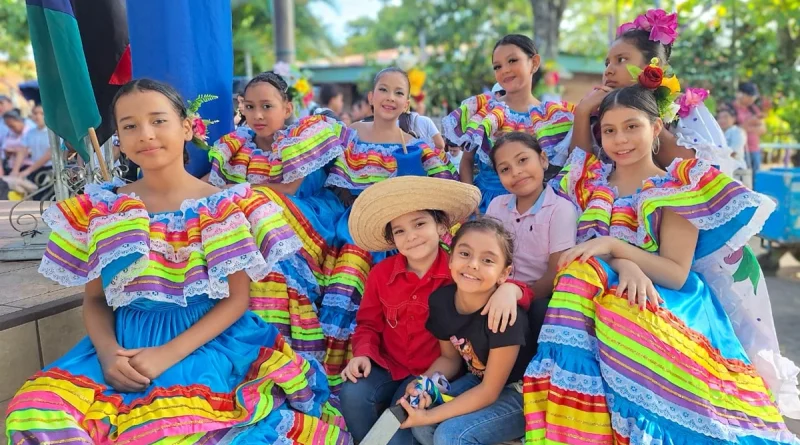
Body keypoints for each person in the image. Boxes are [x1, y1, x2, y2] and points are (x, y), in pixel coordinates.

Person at [4, 78, 350, 444]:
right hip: (122, 348)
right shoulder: (104, 210)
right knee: (34, 412)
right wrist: (107, 354)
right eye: (130, 126)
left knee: (173, 431)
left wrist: (164, 356)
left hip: (205, 347)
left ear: (186, 128)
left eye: (158, 120)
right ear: (118, 141)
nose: (146, 134)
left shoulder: (224, 207)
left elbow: (236, 300)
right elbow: (95, 299)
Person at [522, 85, 799, 443]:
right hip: (597, 289)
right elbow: (578, 254)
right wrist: (623, 264)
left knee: (586, 283)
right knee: (576, 276)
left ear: (655, 129)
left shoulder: (677, 187)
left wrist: (614, 249)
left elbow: (676, 272)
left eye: (632, 126)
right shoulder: (588, 182)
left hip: (666, 298)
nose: (620, 139)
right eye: (609, 130)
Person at [340, 176, 533, 444]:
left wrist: (513, 290)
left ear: (441, 226)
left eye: (419, 224)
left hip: (460, 376)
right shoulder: (385, 275)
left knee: (407, 423)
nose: (411, 236)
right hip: (394, 364)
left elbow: (504, 282)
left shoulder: (460, 275)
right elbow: (368, 323)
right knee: (352, 395)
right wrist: (362, 354)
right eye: (400, 231)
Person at [323, 67, 458, 397]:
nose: (390, 98)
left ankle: (402, 364)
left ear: (408, 103)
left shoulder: (416, 146)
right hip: (359, 227)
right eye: (384, 90)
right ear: (370, 97)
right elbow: (335, 188)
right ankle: (338, 369)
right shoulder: (349, 136)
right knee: (350, 274)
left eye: (399, 92)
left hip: (402, 235)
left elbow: (440, 190)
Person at [207, 71, 354, 371]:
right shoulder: (236, 147)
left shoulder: (300, 139)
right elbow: (207, 189)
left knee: (256, 213)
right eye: (249, 107)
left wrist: (235, 192)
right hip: (257, 232)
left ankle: (289, 355)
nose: (257, 115)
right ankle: (252, 356)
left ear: (287, 108)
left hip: (306, 221)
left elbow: (289, 189)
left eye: (266, 106)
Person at [400, 218, 546, 445]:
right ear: (450, 259)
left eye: (487, 260)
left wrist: (430, 414)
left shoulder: (506, 315)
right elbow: (449, 359)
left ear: (504, 273)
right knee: (424, 427)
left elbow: (489, 391)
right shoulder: (441, 301)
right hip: (477, 380)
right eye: (465, 254)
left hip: (520, 394)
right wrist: (423, 382)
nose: (473, 264)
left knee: (450, 436)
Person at [570, 8, 735, 175]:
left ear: (653, 66)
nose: (608, 71)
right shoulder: (596, 114)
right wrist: (582, 112)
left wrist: (645, 113)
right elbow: (578, 176)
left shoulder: (684, 109)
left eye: (621, 60)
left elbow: (709, 174)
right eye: (607, 64)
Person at [442, 34, 575, 213]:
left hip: (535, 208)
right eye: (498, 66)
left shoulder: (553, 118)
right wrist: (471, 204)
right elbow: (466, 161)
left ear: (534, 63)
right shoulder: (484, 111)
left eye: (513, 60)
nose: (505, 70)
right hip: (485, 207)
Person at [486, 132, 577, 298]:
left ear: (543, 159)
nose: (516, 172)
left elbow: (554, 273)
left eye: (522, 160)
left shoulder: (560, 209)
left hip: (535, 299)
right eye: (505, 169)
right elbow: (486, 254)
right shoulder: (497, 206)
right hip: (495, 291)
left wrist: (517, 298)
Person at [15, 104, 53, 199]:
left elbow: (49, 154)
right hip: (36, 169)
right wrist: (15, 170)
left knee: (49, 199)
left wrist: (28, 171)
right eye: (35, 113)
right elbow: (22, 150)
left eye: (41, 113)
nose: (38, 116)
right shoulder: (31, 132)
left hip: (51, 170)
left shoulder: (52, 132)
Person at [733, 81, 766, 173]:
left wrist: (747, 127)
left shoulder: (753, 109)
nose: (752, 100)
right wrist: (751, 122)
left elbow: (763, 129)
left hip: (754, 149)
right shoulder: (731, 109)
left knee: (755, 180)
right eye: (750, 96)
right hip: (738, 151)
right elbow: (732, 130)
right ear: (740, 94)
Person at [717, 103, 748, 172]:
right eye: (720, 118)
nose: (722, 120)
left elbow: (733, 152)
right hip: (723, 169)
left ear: (733, 118)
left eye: (725, 117)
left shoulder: (738, 132)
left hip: (737, 169)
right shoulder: (718, 133)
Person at [1, 110, 32, 176]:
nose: (11, 129)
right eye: (9, 127)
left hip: (27, 167)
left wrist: (16, 151)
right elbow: (4, 148)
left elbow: (33, 151)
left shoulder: (30, 132)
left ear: (19, 121)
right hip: (10, 166)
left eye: (12, 126)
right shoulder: (10, 133)